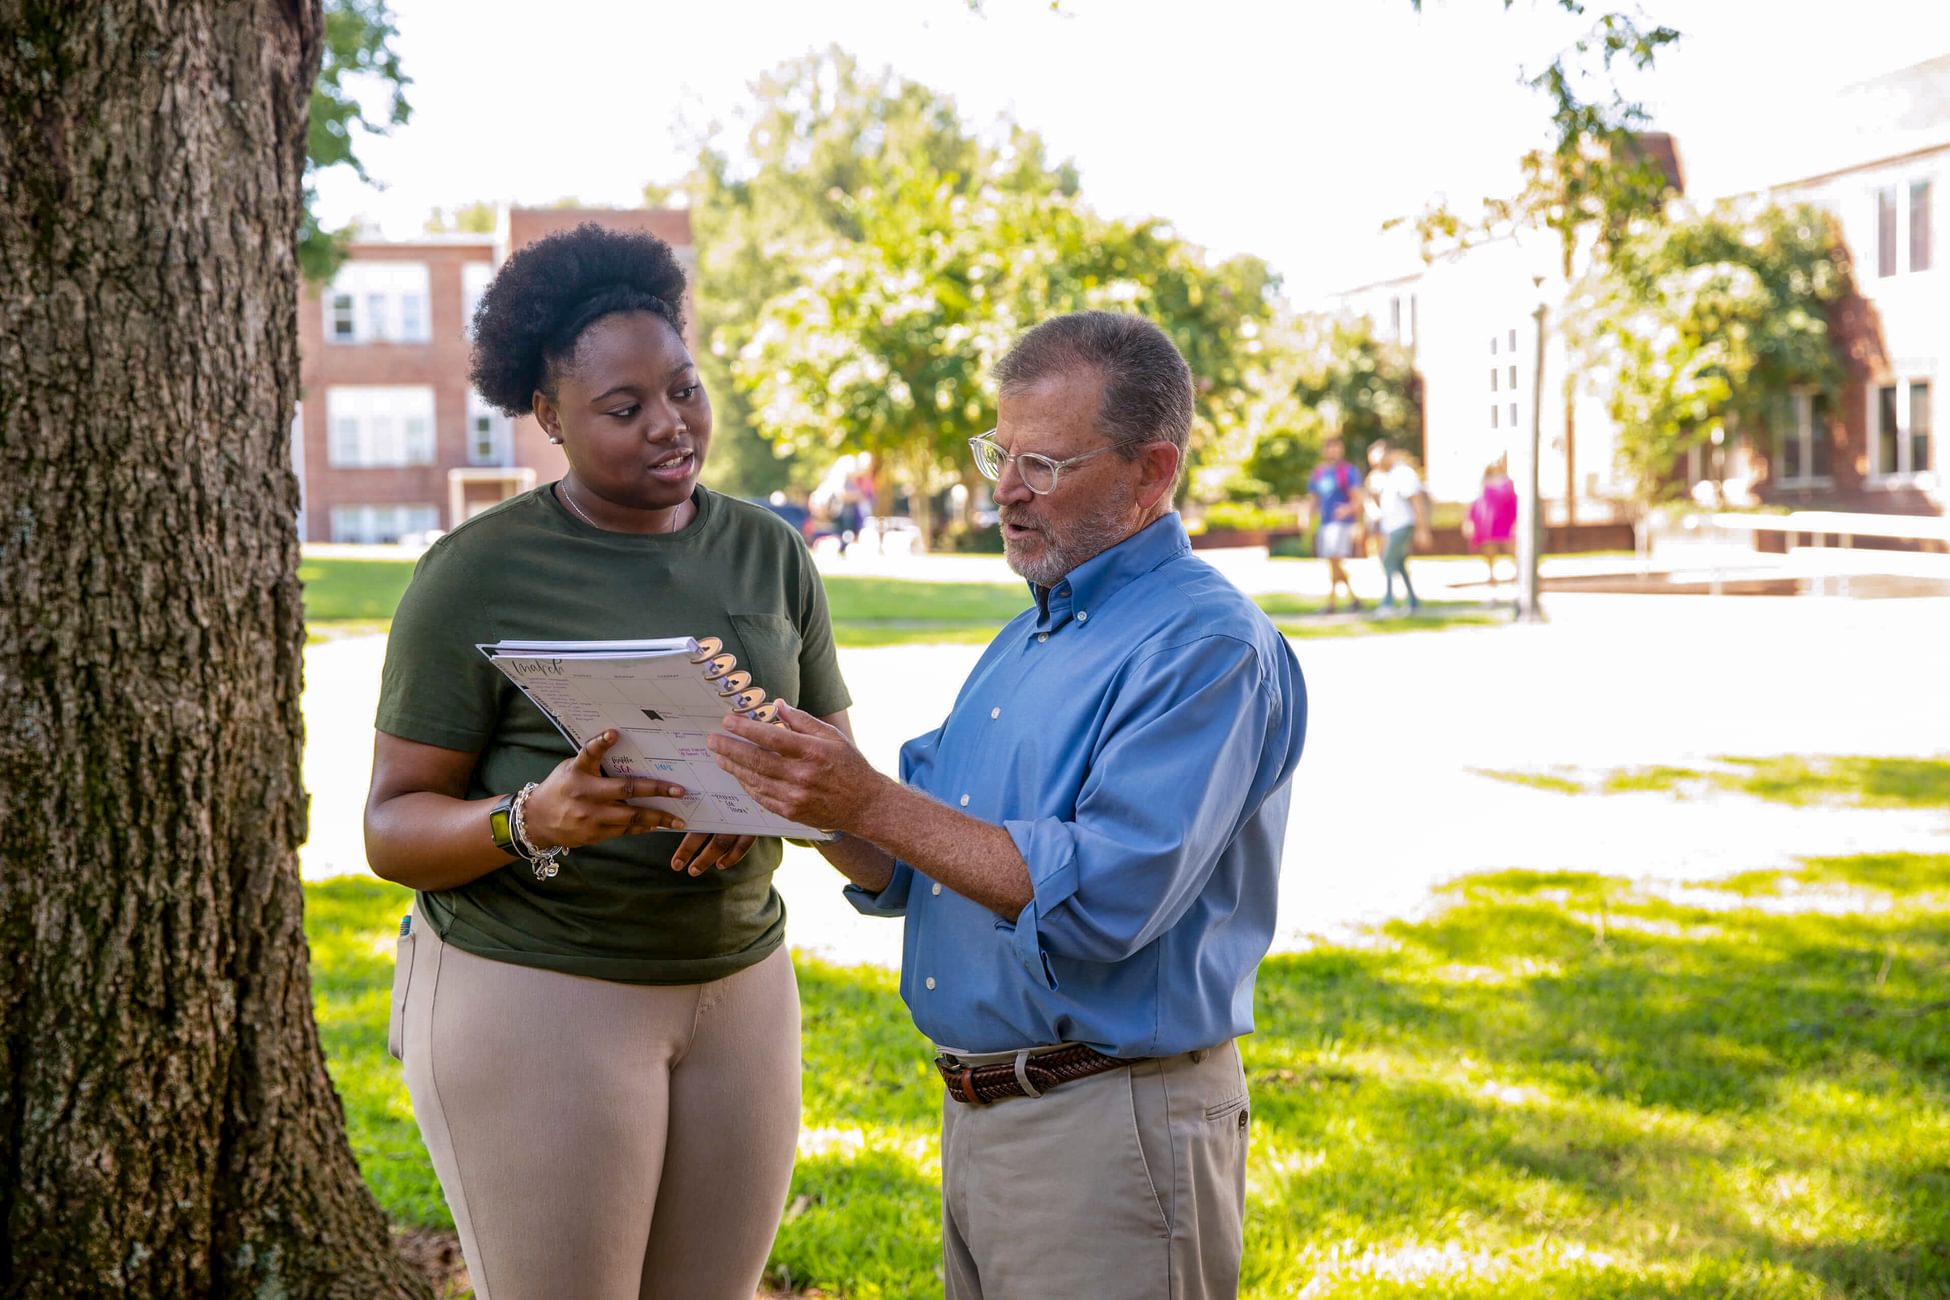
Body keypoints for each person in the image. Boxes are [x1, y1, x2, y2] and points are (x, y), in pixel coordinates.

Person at [707, 311, 1307, 1299]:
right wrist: (792, 792)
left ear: (1154, 472)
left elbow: (1105, 897)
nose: (1005, 490)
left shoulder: (1205, 648)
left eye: (1044, 462)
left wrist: (870, 798)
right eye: (999, 452)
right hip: (985, 1119)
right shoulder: (1033, 635)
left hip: (1112, 1128)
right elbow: (912, 860)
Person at [363, 223, 853, 1300]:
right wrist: (531, 816)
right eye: (625, 409)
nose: (671, 426)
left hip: (741, 990)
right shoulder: (473, 573)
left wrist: (767, 800)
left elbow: (838, 775)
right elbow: (393, 827)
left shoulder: (769, 550)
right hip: (540, 990)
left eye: (682, 388)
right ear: (548, 417)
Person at [1366, 439, 1433, 613]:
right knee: (1399, 563)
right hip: (1390, 527)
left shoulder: (1403, 473)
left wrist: (1422, 529)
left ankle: (1388, 602)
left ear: (1388, 454)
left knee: (1387, 560)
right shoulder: (1385, 476)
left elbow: (1417, 501)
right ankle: (1413, 601)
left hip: (1403, 525)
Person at [1307, 435, 1365, 612]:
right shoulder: (1319, 473)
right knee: (1333, 562)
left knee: (1334, 560)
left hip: (1341, 524)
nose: (1333, 451)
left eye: (1336, 447)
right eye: (1330, 447)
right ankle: (1353, 598)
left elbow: (1358, 500)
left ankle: (1331, 603)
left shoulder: (1348, 471)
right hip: (1325, 523)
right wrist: (1308, 519)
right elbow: (1313, 499)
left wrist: (1347, 510)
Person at [1463, 458, 1519, 587]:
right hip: (1487, 522)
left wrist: (1515, 522)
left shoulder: (1507, 483)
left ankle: (1518, 573)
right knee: (1489, 548)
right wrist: (1469, 521)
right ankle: (1491, 575)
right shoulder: (1483, 484)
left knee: (1510, 547)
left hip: (1504, 520)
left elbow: (1513, 502)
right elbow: (1476, 504)